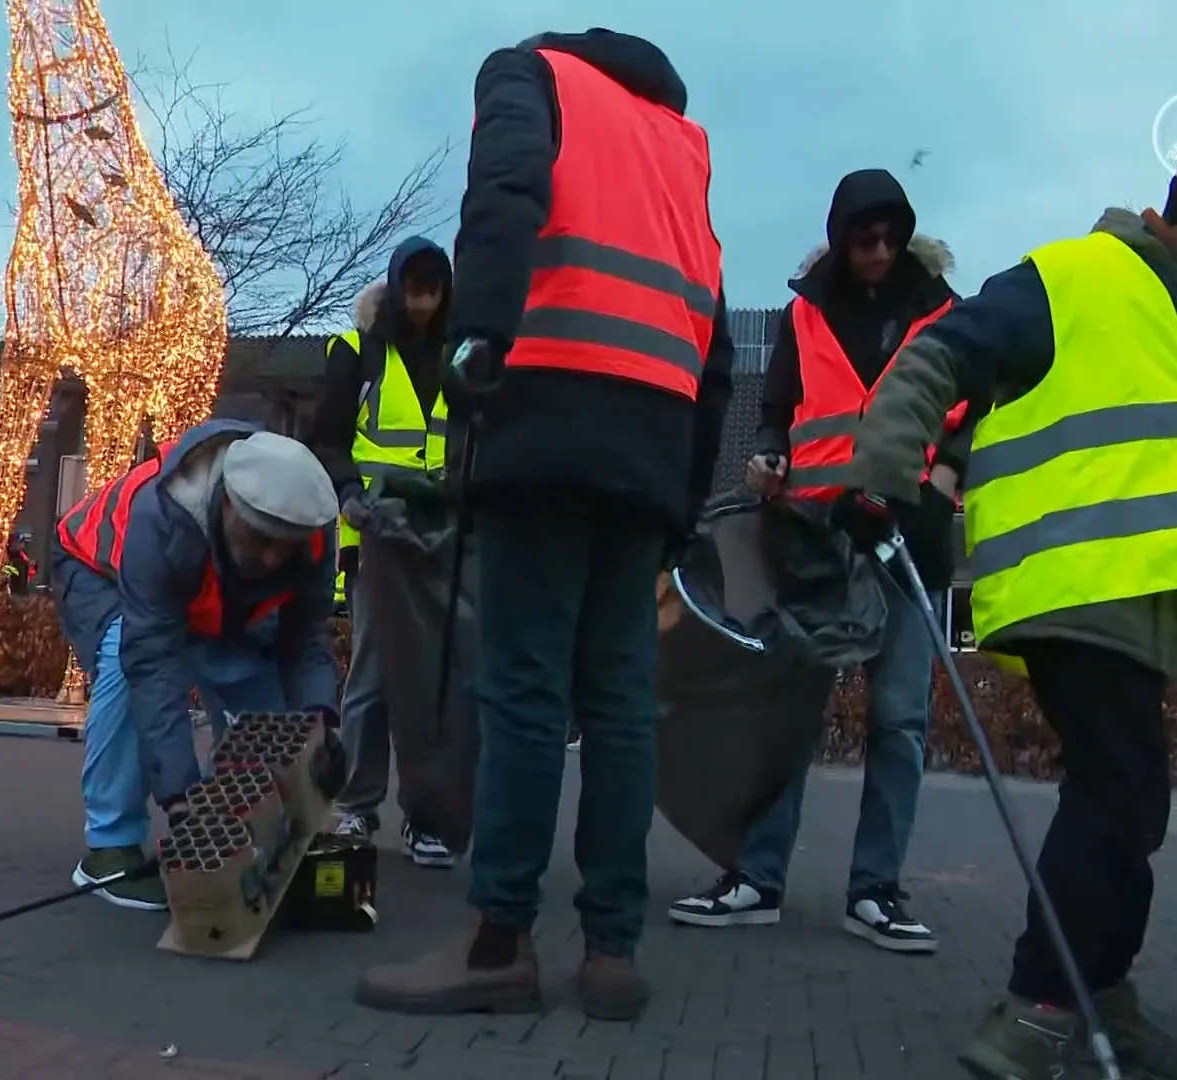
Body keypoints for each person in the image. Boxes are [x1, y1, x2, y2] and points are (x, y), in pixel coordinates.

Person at [844, 114, 1177, 1079]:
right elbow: (935, 356)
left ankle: (1095, 992)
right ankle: (1040, 1007)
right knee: (1117, 798)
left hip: (1140, 604)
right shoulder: (1075, 278)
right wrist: (885, 469)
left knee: (1131, 804)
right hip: (1080, 587)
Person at [355, 28, 732, 1021]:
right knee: (617, 702)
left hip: (552, 416)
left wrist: (479, 334)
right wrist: (685, 496)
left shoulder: (528, 74)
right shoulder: (679, 141)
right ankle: (611, 953)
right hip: (651, 444)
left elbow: (506, 189)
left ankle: (499, 942)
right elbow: (715, 329)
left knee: (520, 691)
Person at [669, 169, 965, 954]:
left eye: (889, 238)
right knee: (790, 713)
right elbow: (776, 412)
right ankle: (756, 876)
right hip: (814, 536)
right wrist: (768, 456)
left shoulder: (942, 312)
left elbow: (974, 407)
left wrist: (948, 471)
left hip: (907, 537)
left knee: (900, 718)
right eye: (863, 239)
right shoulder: (805, 315)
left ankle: (876, 890)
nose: (877, 252)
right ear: (840, 239)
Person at [49, 423, 341, 911]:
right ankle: (110, 847)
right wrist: (181, 799)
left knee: (266, 711)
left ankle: (244, 835)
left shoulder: (308, 529)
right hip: (99, 567)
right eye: (259, 538)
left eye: (283, 546)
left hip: (213, 585)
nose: (271, 557)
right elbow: (153, 663)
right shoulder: (163, 518)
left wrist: (323, 728)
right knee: (127, 661)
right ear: (227, 503)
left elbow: (305, 641)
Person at [306, 236, 456, 868]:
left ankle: (428, 816)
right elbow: (327, 439)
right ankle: (361, 803)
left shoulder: (460, 355)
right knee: (372, 673)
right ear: (396, 290)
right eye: (414, 291)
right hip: (377, 529)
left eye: (433, 292)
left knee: (437, 680)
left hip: (446, 533)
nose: (423, 304)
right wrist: (349, 496)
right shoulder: (358, 353)